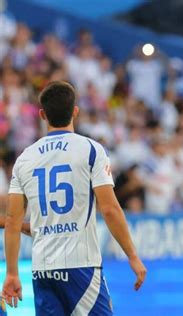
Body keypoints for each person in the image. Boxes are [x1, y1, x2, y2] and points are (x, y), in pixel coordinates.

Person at [1, 81, 147, 314]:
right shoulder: (91, 150)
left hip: (43, 269)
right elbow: (109, 209)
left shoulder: (25, 159)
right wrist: (132, 255)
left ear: (42, 115)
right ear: (75, 111)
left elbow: (11, 220)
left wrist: (11, 273)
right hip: (81, 266)